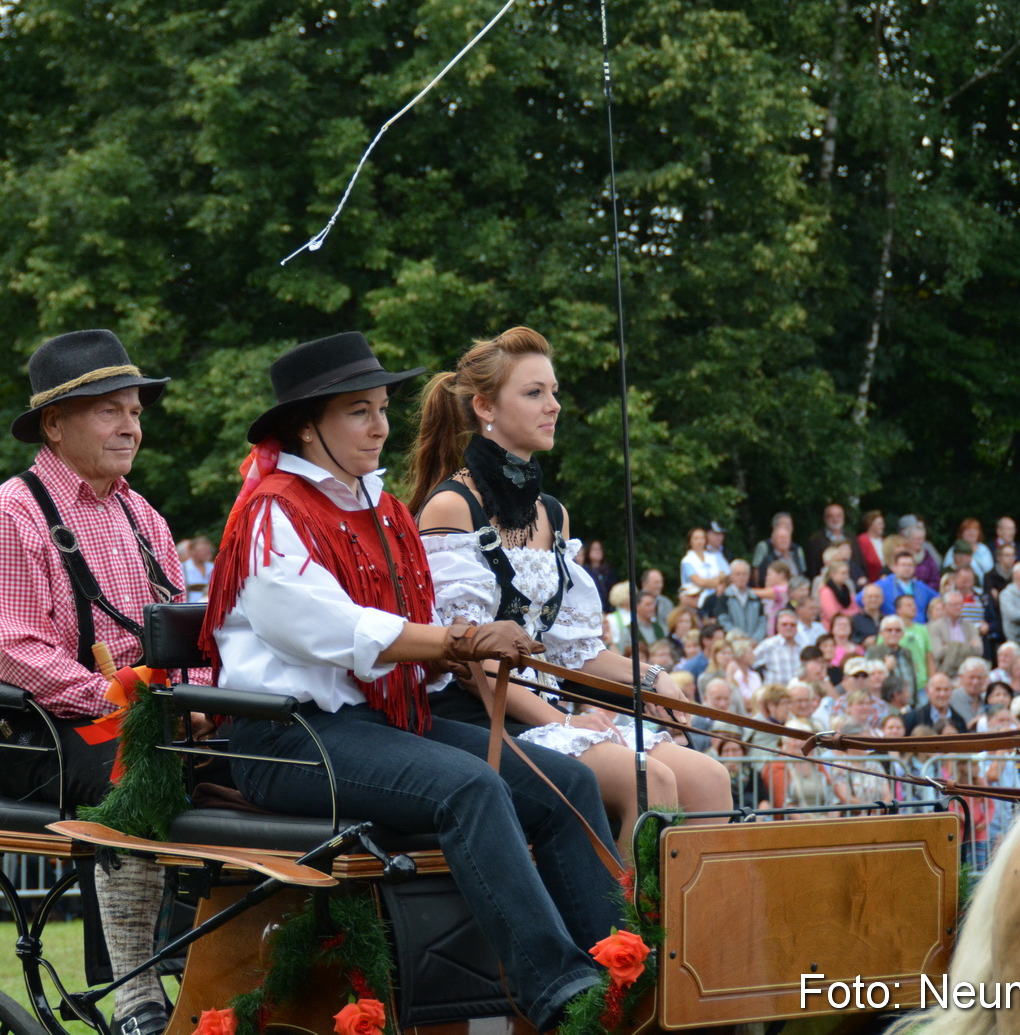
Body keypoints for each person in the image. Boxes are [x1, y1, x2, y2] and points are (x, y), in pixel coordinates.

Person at [208, 331, 621, 1032]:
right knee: (470, 786)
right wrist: (459, 641)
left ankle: (621, 970)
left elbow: (415, 623)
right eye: (358, 412)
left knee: (567, 782)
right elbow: (333, 628)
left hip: (375, 725)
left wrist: (464, 651)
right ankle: (562, 995)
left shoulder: (381, 507)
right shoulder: (272, 511)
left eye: (381, 408)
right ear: (306, 427)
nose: (379, 426)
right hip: (288, 739)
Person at [0, 329, 189, 1035]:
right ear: (54, 424)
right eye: (110, 410)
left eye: (135, 411)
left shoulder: (143, 515)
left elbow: (186, 632)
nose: (131, 426)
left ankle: (220, 965)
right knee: (140, 770)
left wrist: (197, 695)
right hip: (36, 732)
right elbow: (18, 654)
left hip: (137, 717)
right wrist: (124, 699)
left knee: (259, 766)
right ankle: (137, 995)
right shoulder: (8, 514)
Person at [412, 327, 732, 849]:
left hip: (546, 710)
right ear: (485, 407)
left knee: (710, 778)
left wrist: (654, 679)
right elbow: (472, 663)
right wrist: (568, 720)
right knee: (651, 780)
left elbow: (577, 651)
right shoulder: (453, 506)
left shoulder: (553, 515)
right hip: (482, 717)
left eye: (554, 391)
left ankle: (693, 905)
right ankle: (628, 908)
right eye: (534, 392)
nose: (553, 405)